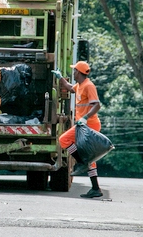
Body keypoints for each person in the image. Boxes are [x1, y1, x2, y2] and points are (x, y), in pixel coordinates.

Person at [53, 61, 103, 198]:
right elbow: (69, 87)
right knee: (90, 158)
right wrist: (60, 77)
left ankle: (81, 163)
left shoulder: (89, 85)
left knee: (64, 139)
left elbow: (97, 105)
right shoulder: (80, 85)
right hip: (84, 125)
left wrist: (85, 118)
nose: (73, 72)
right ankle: (95, 188)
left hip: (89, 125)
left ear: (79, 72)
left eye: (74, 70)